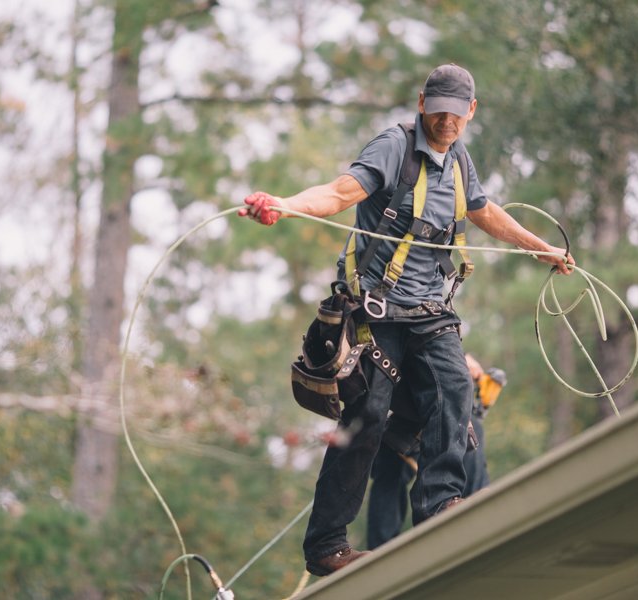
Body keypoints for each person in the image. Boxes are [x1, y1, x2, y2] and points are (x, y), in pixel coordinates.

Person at [239, 63, 574, 577]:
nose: (446, 121)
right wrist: (284, 205)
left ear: (471, 112)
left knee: (455, 388)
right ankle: (326, 546)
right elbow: (339, 193)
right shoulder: (392, 148)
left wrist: (541, 248)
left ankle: (440, 508)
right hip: (377, 309)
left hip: (429, 311)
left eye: (456, 113)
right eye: (438, 111)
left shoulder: (459, 161)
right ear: (421, 104)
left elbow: (484, 212)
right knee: (368, 416)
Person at [366, 353, 504, 549]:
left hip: (413, 398)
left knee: (468, 431)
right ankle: (382, 548)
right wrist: (461, 358)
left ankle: (479, 512)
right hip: (397, 393)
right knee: (392, 466)